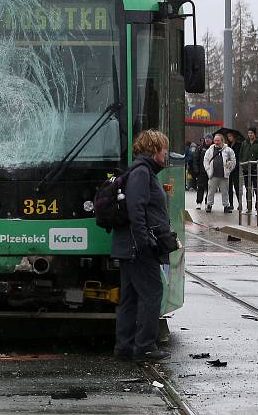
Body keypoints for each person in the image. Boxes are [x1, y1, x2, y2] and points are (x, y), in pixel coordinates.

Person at [111, 129, 172, 362]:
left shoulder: (141, 171)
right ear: (154, 150)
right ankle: (145, 345)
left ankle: (125, 346)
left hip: (131, 246)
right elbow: (136, 210)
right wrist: (144, 241)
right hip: (138, 247)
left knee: (130, 296)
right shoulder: (141, 173)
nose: (165, 156)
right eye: (164, 151)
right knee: (152, 292)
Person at [204, 133, 236, 213]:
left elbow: (233, 160)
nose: (216, 142)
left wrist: (229, 167)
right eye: (215, 140)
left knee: (225, 192)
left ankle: (226, 206)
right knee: (211, 191)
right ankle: (209, 205)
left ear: (222, 141)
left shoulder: (228, 150)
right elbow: (206, 161)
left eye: (218, 140)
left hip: (224, 175)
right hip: (213, 175)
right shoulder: (210, 150)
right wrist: (208, 170)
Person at [240, 126, 258, 214]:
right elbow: (241, 155)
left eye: (251, 133)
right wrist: (243, 164)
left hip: (255, 170)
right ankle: (249, 208)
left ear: (254, 134)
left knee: (256, 189)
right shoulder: (244, 143)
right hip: (246, 170)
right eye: (248, 133)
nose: (250, 135)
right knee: (248, 189)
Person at [193, 134, 213, 210]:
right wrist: (196, 170)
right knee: (200, 187)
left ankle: (207, 203)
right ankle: (199, 202)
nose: (207, 140)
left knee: (210, 188)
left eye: (209, 138)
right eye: (206, 138)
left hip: (211, 172)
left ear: (212, 140)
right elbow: (195, 159)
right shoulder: (200, 148)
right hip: (201, 172)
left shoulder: (214, 148)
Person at [226, 132, 243, 211]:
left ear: (234, 136)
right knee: (229, 187)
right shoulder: (227, 146)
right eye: (228, 136)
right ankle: (231, 204)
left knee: (237, 186)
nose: (229, 138)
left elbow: (239, 156)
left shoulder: (239, 145)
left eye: (230, 136)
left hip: (236, 168)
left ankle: (240, 203)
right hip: (229, 168)